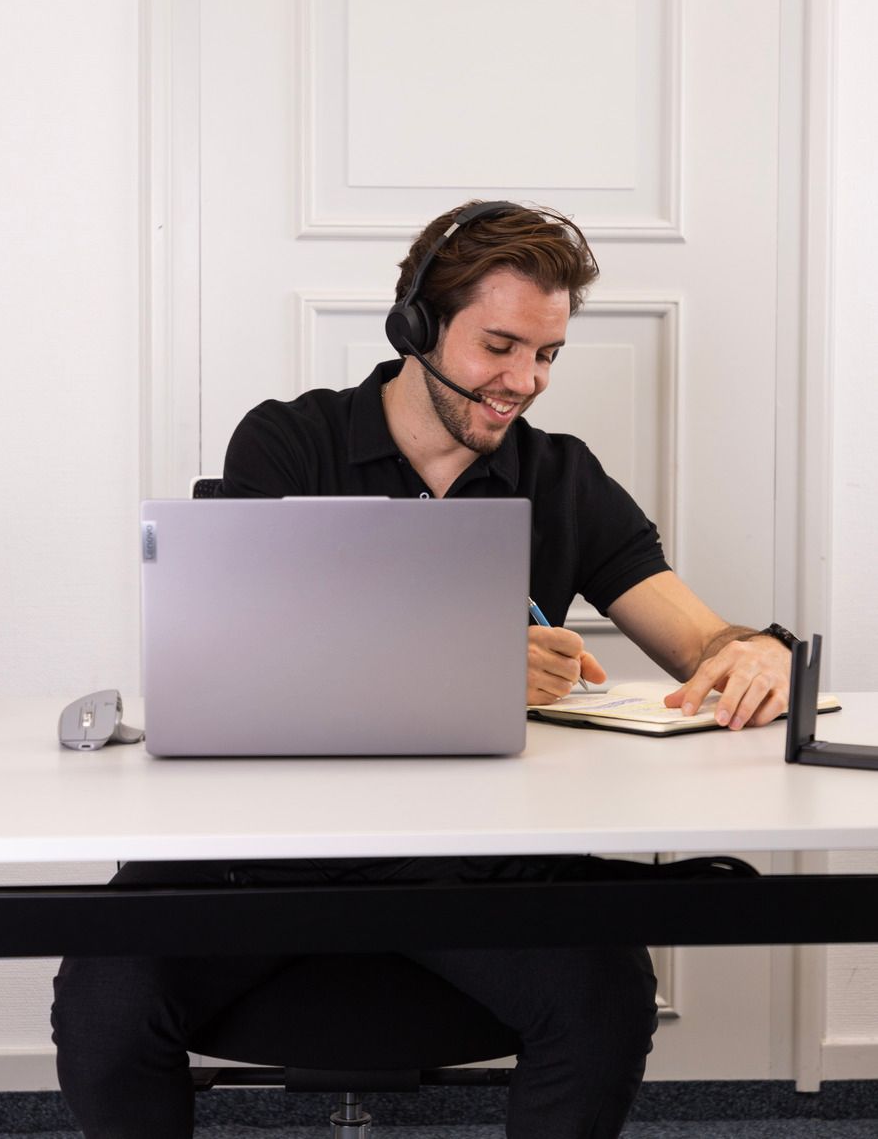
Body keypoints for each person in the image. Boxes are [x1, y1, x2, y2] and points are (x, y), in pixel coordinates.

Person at [52, 200, 793, 1138]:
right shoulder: (289, 443)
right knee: (103, 1001)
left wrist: (753, 650)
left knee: (602, 993)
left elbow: (701, 639)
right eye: (500, 345)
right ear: (415, 324)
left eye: (548, 354)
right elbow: (238, 655)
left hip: (475, 868)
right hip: (264, 858)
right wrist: (468, 660)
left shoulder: (560, 477)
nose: (524, 380)